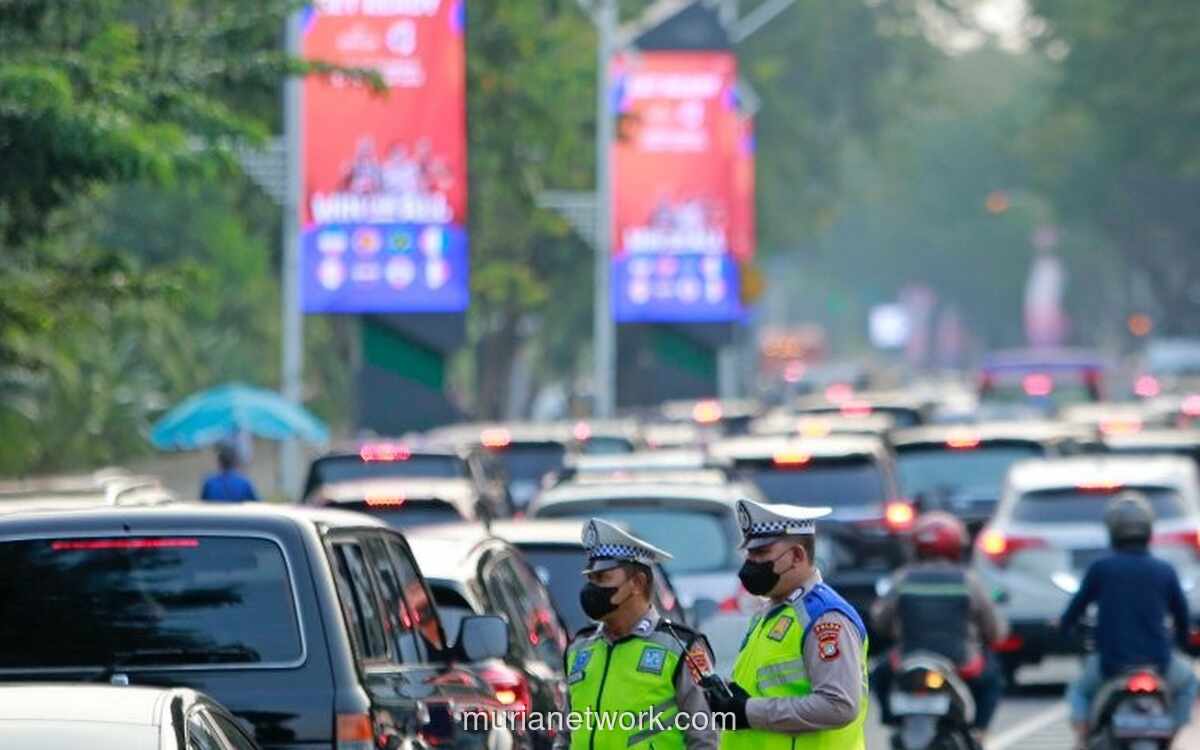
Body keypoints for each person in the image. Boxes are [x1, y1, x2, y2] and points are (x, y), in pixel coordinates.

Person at [708, 499, 868, 750]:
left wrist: (748, 711)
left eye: (761, 553)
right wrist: (726, 695)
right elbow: (769, 687)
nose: (750, 563)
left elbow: (839, 705)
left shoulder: (824, 618)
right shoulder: (771, 611)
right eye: (749, 553)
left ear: (796, 556)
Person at [555, 519, 717, 750]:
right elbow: (566, 734)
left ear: (637, 583)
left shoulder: (681, 647)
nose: (591, 588)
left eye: (602, 578)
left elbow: (705, 740)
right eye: (590, 579)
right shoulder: (580, 648)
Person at [1060, 492, 1198, 746]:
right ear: (1148, 529)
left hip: (1111, 665)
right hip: (1160, 664)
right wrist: (1184, 643)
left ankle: (1082, 736)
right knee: (1190, 683)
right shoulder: (1164, 570)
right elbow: (1182, 617)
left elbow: (1073, 612)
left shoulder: (1100, 569)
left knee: (1079, 692)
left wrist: (1065, 631)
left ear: (1112, 530)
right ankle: (1173, 732)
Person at [870, 512, 1008, 743]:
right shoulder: (968, 580)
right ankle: (979, 732)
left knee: (878, 674)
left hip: (908, 661)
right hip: (961, 663)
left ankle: (891, 719)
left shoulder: (902, 579)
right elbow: (994, 629)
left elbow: (880, 621)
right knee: (993, 679)